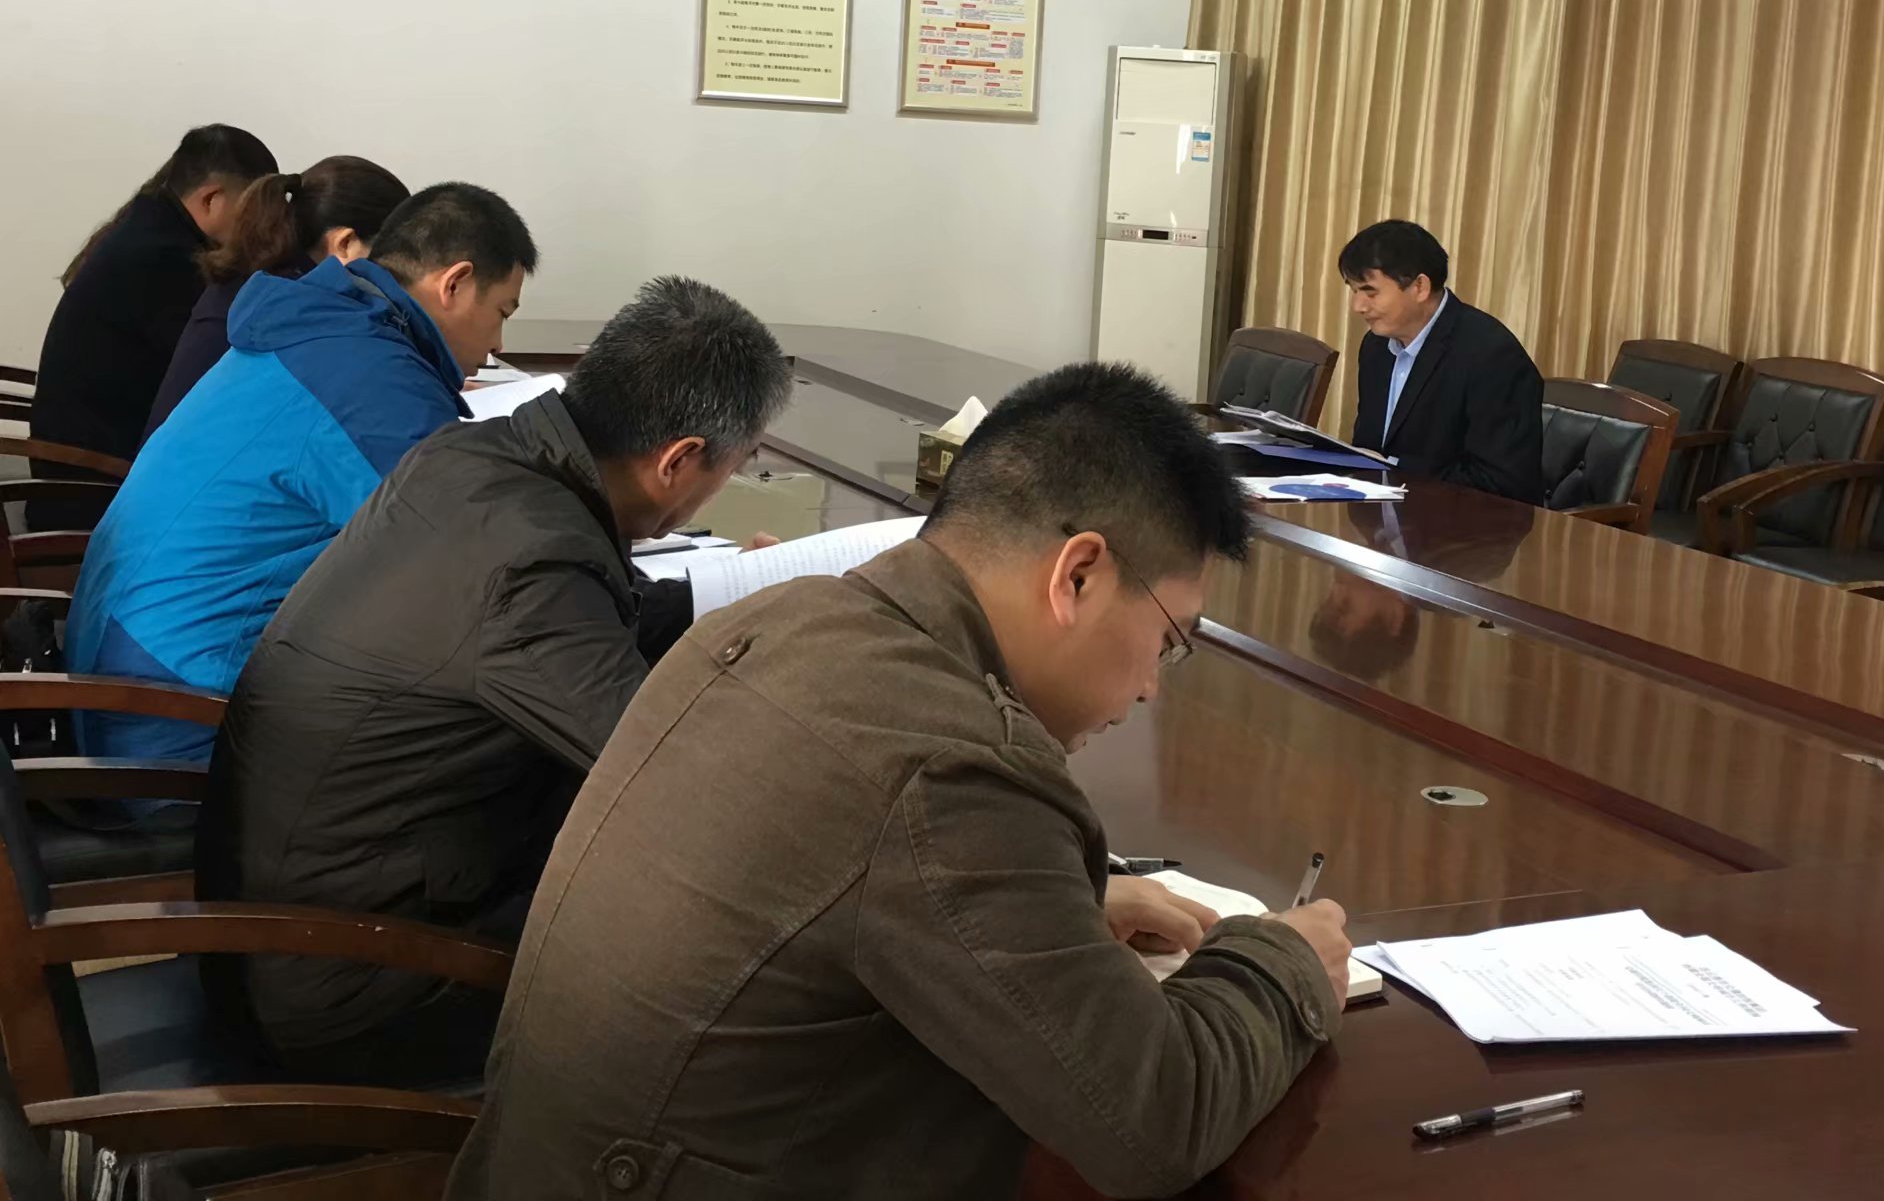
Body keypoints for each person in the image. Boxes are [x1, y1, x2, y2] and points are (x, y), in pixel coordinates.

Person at [446, 363, 1351, 1201]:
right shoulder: (955, 767)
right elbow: (1155, 1120)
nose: (1153, 684)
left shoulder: (784, 617)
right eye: (1169, 638)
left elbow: (847, 872)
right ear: (1077, 574)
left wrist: (1060, 906)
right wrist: (1283, 964)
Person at [197, 277, 793, 1087]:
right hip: (356, 987)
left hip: (292, 918)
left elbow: (589, 615)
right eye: (737, 464)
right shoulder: (535, 562)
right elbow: (674, 770)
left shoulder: (474, 458)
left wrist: (751, 596)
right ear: (679, 460)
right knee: (747, 945)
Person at [65, 182, 538, 767]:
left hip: (127, 678)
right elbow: (480, 563)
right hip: (176, 725)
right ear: (456, 283)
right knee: (499, 733)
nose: (495, 344)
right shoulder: (370, 379)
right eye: (501, 314)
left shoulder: (327, 332)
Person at [27, 124, 279, 526]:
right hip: (92, 492)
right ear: (212, 199)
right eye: (253, 209)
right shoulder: (165, 258)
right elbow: (211, 380)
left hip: (75, 471)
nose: (259, 225)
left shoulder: (148, 227)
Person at [144, 156, 411, 438]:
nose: (396, 279)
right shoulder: (293, 309)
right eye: (390, 260)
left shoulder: (260, 281)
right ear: (345, 243)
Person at [1340, 219, 1544, 503]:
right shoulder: (1376, 347)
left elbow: (1500, 484)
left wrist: (1397, 470)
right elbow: (1370, 449)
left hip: (1462, 523)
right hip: (1384, 515)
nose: (1358, 306)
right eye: (1354, 291)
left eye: (1370, 292)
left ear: (1420, 287)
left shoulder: (1492, 355)